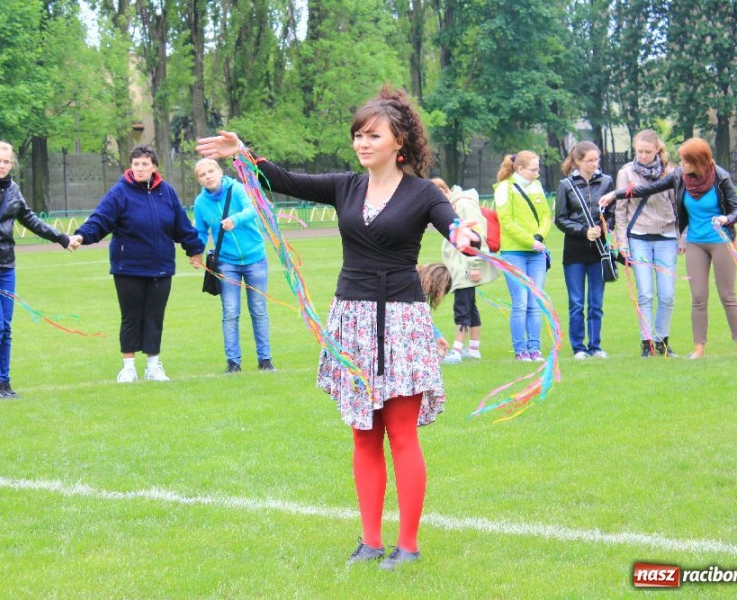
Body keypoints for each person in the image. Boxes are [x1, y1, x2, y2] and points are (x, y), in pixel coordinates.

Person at [196, 86, 481, 571]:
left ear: (400, 144)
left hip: (402, 324)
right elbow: (283, 179)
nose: (362, 143)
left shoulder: (420, 193)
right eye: (358, 135)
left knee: (402, 435)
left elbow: (452, 224)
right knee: (363, 434)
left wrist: (466, 235)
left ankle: (407, 546)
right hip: (351, 320)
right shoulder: (344, 186)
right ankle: (370, 541)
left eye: (373, 135)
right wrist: (242, 154)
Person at [600, 137, 737, 359]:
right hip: (695, 243)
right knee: (698, 297)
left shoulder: (721, 177)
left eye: (685, 160)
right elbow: (648, 188)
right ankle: (699, 348)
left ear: (698, 161)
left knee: (728, 295)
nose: (681, 164)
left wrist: (726, 219)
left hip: (721, 241)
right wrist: (616, 194)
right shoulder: (680, 176)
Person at [68, 145, 205, 382]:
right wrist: (82, 235)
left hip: (161, 266)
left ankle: (153, 366)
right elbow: (100, 219)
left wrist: (194, 250)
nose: (140, 168)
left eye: (144, 164)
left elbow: (181, 225)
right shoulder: (120, 192)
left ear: (154, 167)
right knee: (131, 316)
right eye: (136, 164)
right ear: (130, 166)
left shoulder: (167, 193)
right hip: (128, 266)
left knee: (155, 316)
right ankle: (128, 367)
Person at [0, 141, 75, 399]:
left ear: (12, 164)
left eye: (6, 162)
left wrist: (62, 238)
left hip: (7, 265)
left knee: (6, 327)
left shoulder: (12, 189)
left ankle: (5, 382)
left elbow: (30, 219)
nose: (1, 166)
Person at [193, 158, 275, 373]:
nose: (208, 176)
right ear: (199, 180)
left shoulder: (237, 189)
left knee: (258, 309)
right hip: (226, 262)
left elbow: (253, 209)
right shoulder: (201, 203)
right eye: (203, 174)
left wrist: (235, 220)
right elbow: (201, 232)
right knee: (230, 312)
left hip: (254, 258)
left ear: (220, 172)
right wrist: (195, 252)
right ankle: (233, 363)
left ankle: (265, 360)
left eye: (211, 171)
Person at [615, 130, 678, 357]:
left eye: (647, 152)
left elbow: (678, 206)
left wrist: (682, 236)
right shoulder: (626, 173)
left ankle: (662, 341)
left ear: (657, 150)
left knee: (667, 293)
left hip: (666, 237)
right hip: (639, 237)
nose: (642, 155)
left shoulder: (670, 172)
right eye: (639, 151)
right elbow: (620, 211)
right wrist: (621, 242)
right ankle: (647, 342)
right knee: (645, 293)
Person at [555, 141, 615, 360]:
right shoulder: (566, 185)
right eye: (589, 160)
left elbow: (612, 213)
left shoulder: (606, 182)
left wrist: (604, 227)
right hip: (575, 251)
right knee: (577, 302)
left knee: (596, 302)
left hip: (599, 250)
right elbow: (560, 219)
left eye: (596, 159)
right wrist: (582, 231)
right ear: (578, 161)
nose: (594, 164)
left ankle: (595, 346)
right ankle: (578, 347)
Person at [429, 178, 498, 364]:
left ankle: (457, 351)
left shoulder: (463, 204)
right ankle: (473, 349)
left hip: (465, 266)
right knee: (470, 307)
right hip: (460, 266)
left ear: (442, 191)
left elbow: (477, 236)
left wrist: (474, 265)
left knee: (462, 308)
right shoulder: (454, 204)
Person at [493, 151, 552, 361]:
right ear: (520, 169)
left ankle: (535, 349)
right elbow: (506, 221)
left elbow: (546, 215)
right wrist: (530, 240)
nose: (537, 174)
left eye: (538, 169)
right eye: (533, 170)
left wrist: (540, 236)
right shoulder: (504, 188)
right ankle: (521, 351)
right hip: (514, 252)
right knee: (521, 302)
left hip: (536, 252)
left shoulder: (536, 186)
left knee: (535, 302)